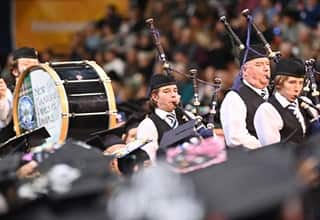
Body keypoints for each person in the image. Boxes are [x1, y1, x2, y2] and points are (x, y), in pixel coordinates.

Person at [254, 58, 317, 146]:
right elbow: (272, 150)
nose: (297, 88)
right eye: (292, 82)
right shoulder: (267, 110)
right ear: (279, 83)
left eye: (300, 83)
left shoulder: (306, 103)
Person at [220, 44, 271, 149]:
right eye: (259, 65)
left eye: (267, 64)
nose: (266, 68)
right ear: (244, 71)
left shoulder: (274, 93)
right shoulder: (234, 98)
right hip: (254, 160)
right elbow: (236, 138)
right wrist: (269, 148)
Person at [136, 73, 187, 160]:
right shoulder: (147, 125)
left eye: (175, 90)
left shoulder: (187, 116)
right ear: (155, 97)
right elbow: (151, 159)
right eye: (166, 91)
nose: (173, 95)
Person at [0, 47, 39, 143]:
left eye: (35, 65)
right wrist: (2, 98)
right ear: (15, 71)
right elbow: (3, 118)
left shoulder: (43, 91)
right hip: (14, 150)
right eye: (26, 64)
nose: (31, 68)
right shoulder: (8, 92)